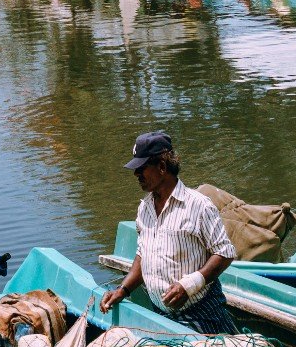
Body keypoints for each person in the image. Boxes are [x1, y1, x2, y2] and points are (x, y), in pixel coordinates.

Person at [99, 131, 238, 334]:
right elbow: (143, 255)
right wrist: (123, 290)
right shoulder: (145, 208)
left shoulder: (198, 205)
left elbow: (224, 252)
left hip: (199, 313)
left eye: (141, 168)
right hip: (161, 313)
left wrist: (189, 285)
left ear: (162, 167)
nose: (136, 174)